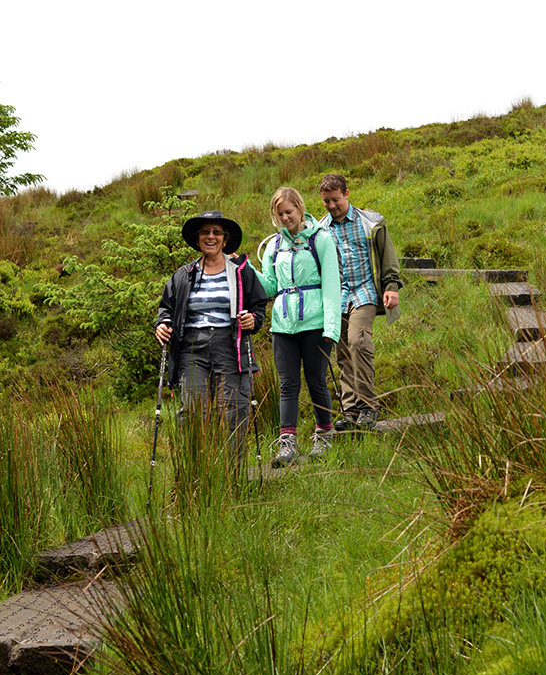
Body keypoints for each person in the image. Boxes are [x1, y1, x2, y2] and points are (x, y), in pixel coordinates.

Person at [155, 209, 268, 468]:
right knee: (192, 412)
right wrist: (162, 324)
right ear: (197, 239)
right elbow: (166, 309)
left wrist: (254, 320)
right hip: (191, 348)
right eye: (205, 232)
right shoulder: (183, 275)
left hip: (231, 344)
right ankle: (195, 477)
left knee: (233, 411)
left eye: (217, 232)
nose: (211, 236)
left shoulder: (241, 272)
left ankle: (232, 478)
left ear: (225, 240)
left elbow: (258, 306)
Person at [255, 187, 341, 466]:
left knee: (316, 380)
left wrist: (331, 327)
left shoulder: (322, 240)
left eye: (289, 212)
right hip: (283, 325)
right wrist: (245, 268)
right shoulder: (273, 246)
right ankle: (287, 443)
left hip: (315, 323)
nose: (285, 218)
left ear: (300, 209)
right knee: (288, 384)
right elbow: (269, 286)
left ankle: (324, 434)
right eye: (280, 214)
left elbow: (331, 286)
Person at [318, 174, 402, 430]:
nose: (332, 206)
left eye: (335, 200)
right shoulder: (320, 230)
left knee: (358, 341)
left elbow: (388, 256)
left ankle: (369, 405)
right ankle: (351, 411)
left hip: (365, 292)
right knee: (342, 352)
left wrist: (391, 287)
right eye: (326, 202)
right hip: (337, 297)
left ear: (347, 194)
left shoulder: (371, 222)